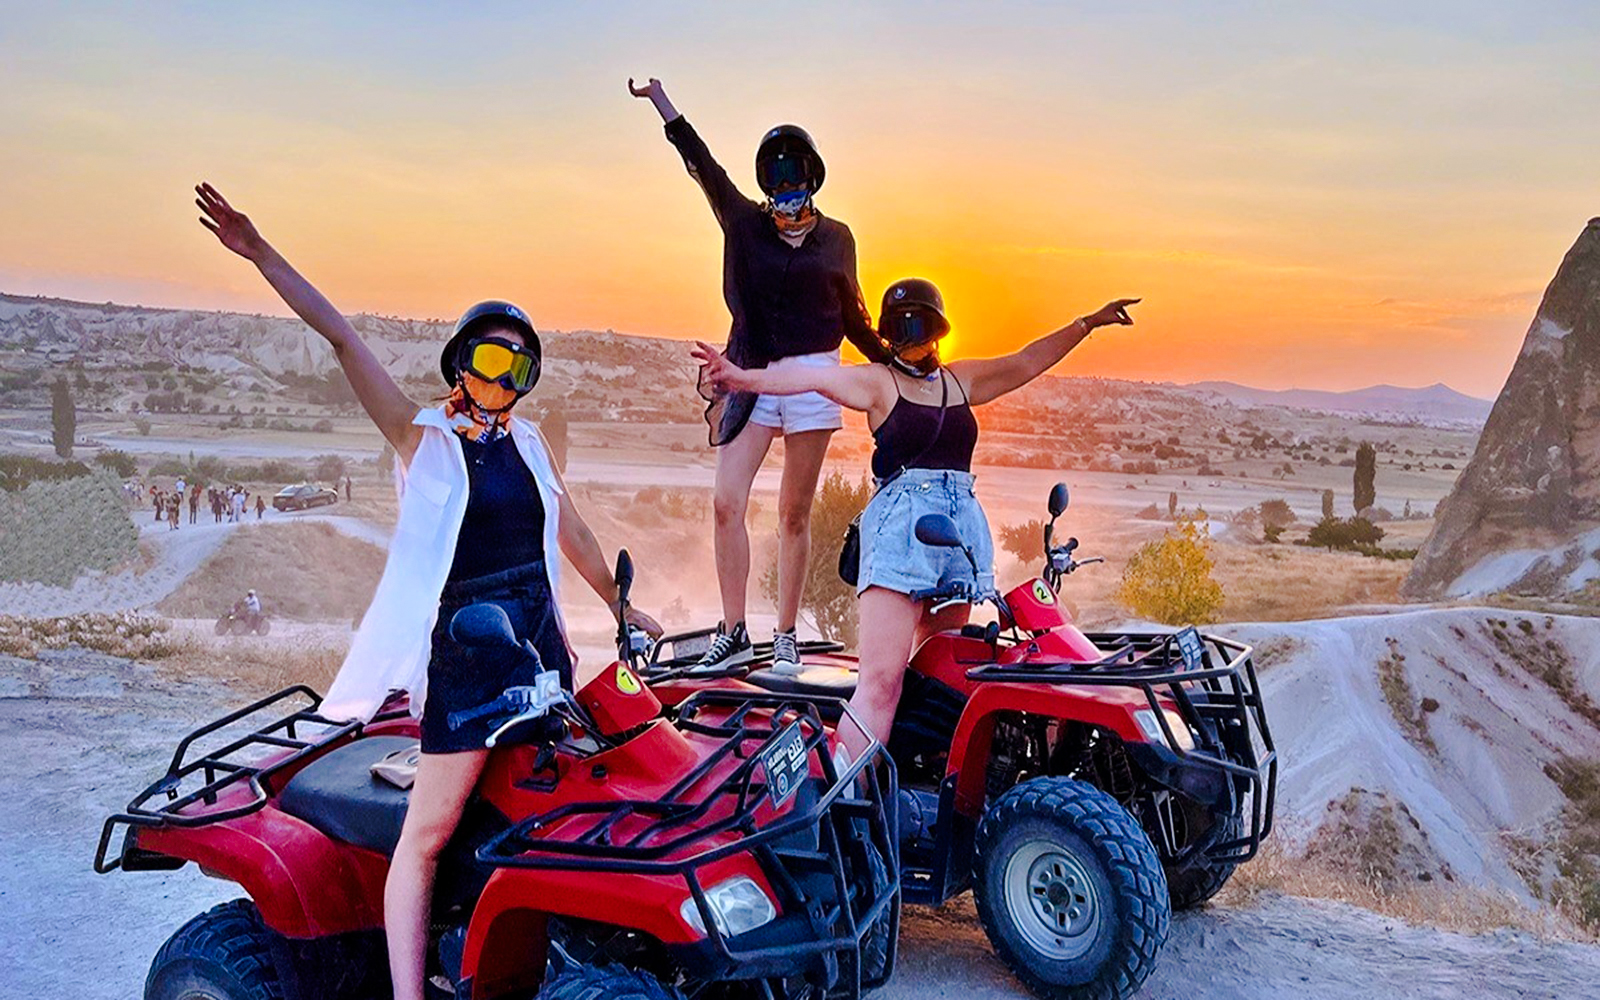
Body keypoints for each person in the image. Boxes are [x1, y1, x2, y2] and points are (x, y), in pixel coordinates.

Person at [195, 181, 662, 1000]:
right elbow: (342, 340)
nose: (503, 375)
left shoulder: (530, 445)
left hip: (536, 642)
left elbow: (576, 534)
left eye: (519, 364)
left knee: (552, 800)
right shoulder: (426, 439)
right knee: (426, 836)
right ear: (461, 362)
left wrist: (622, 608)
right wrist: (260, 251)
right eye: (490, 357)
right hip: (470, 654)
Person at [696, 278, 1138, 755]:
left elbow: (1026, 361)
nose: (912, 340)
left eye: (920, 328)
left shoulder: (959, 380)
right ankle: (848, 788)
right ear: (889, 337)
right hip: (901, 535)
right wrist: (740, 379)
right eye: (902, 332)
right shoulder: (878, 383)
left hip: (957, 535)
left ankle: (918, 774)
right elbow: (809, 378)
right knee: (881, 682)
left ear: (938, 330)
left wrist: (1087, 324)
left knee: (938, 671)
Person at [630, 77, 883, 673]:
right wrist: (662, 102)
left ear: (813, 177)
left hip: (815, 377)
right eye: (775, 175)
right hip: (750, 371)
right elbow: (704, 168)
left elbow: (854, 316)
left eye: (795, 174)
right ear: (765, 182)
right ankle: (735, 630)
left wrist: (897, 363)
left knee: (794, 513)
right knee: (726, 502)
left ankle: (786, 634)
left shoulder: (838, 238)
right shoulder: (744, 224)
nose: (786, 186)